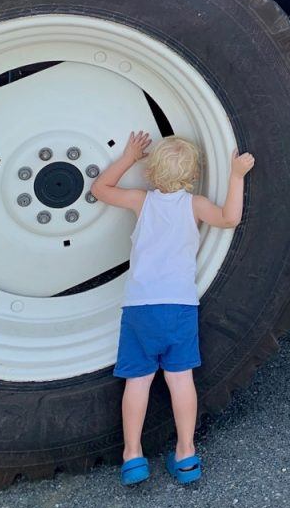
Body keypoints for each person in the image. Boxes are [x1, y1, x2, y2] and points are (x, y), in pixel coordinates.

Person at [91, 131, 255, 486]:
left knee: (137, 382)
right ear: (193, 175)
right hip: (179, 306)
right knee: (181, 381)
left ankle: (132, 455)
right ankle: (186, 453)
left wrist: (128, 157)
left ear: (151, 172)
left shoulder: (141, 201)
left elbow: (99, 190)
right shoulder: (193, 205)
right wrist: (236, 176)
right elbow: (230, 218)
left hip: (140, 307)